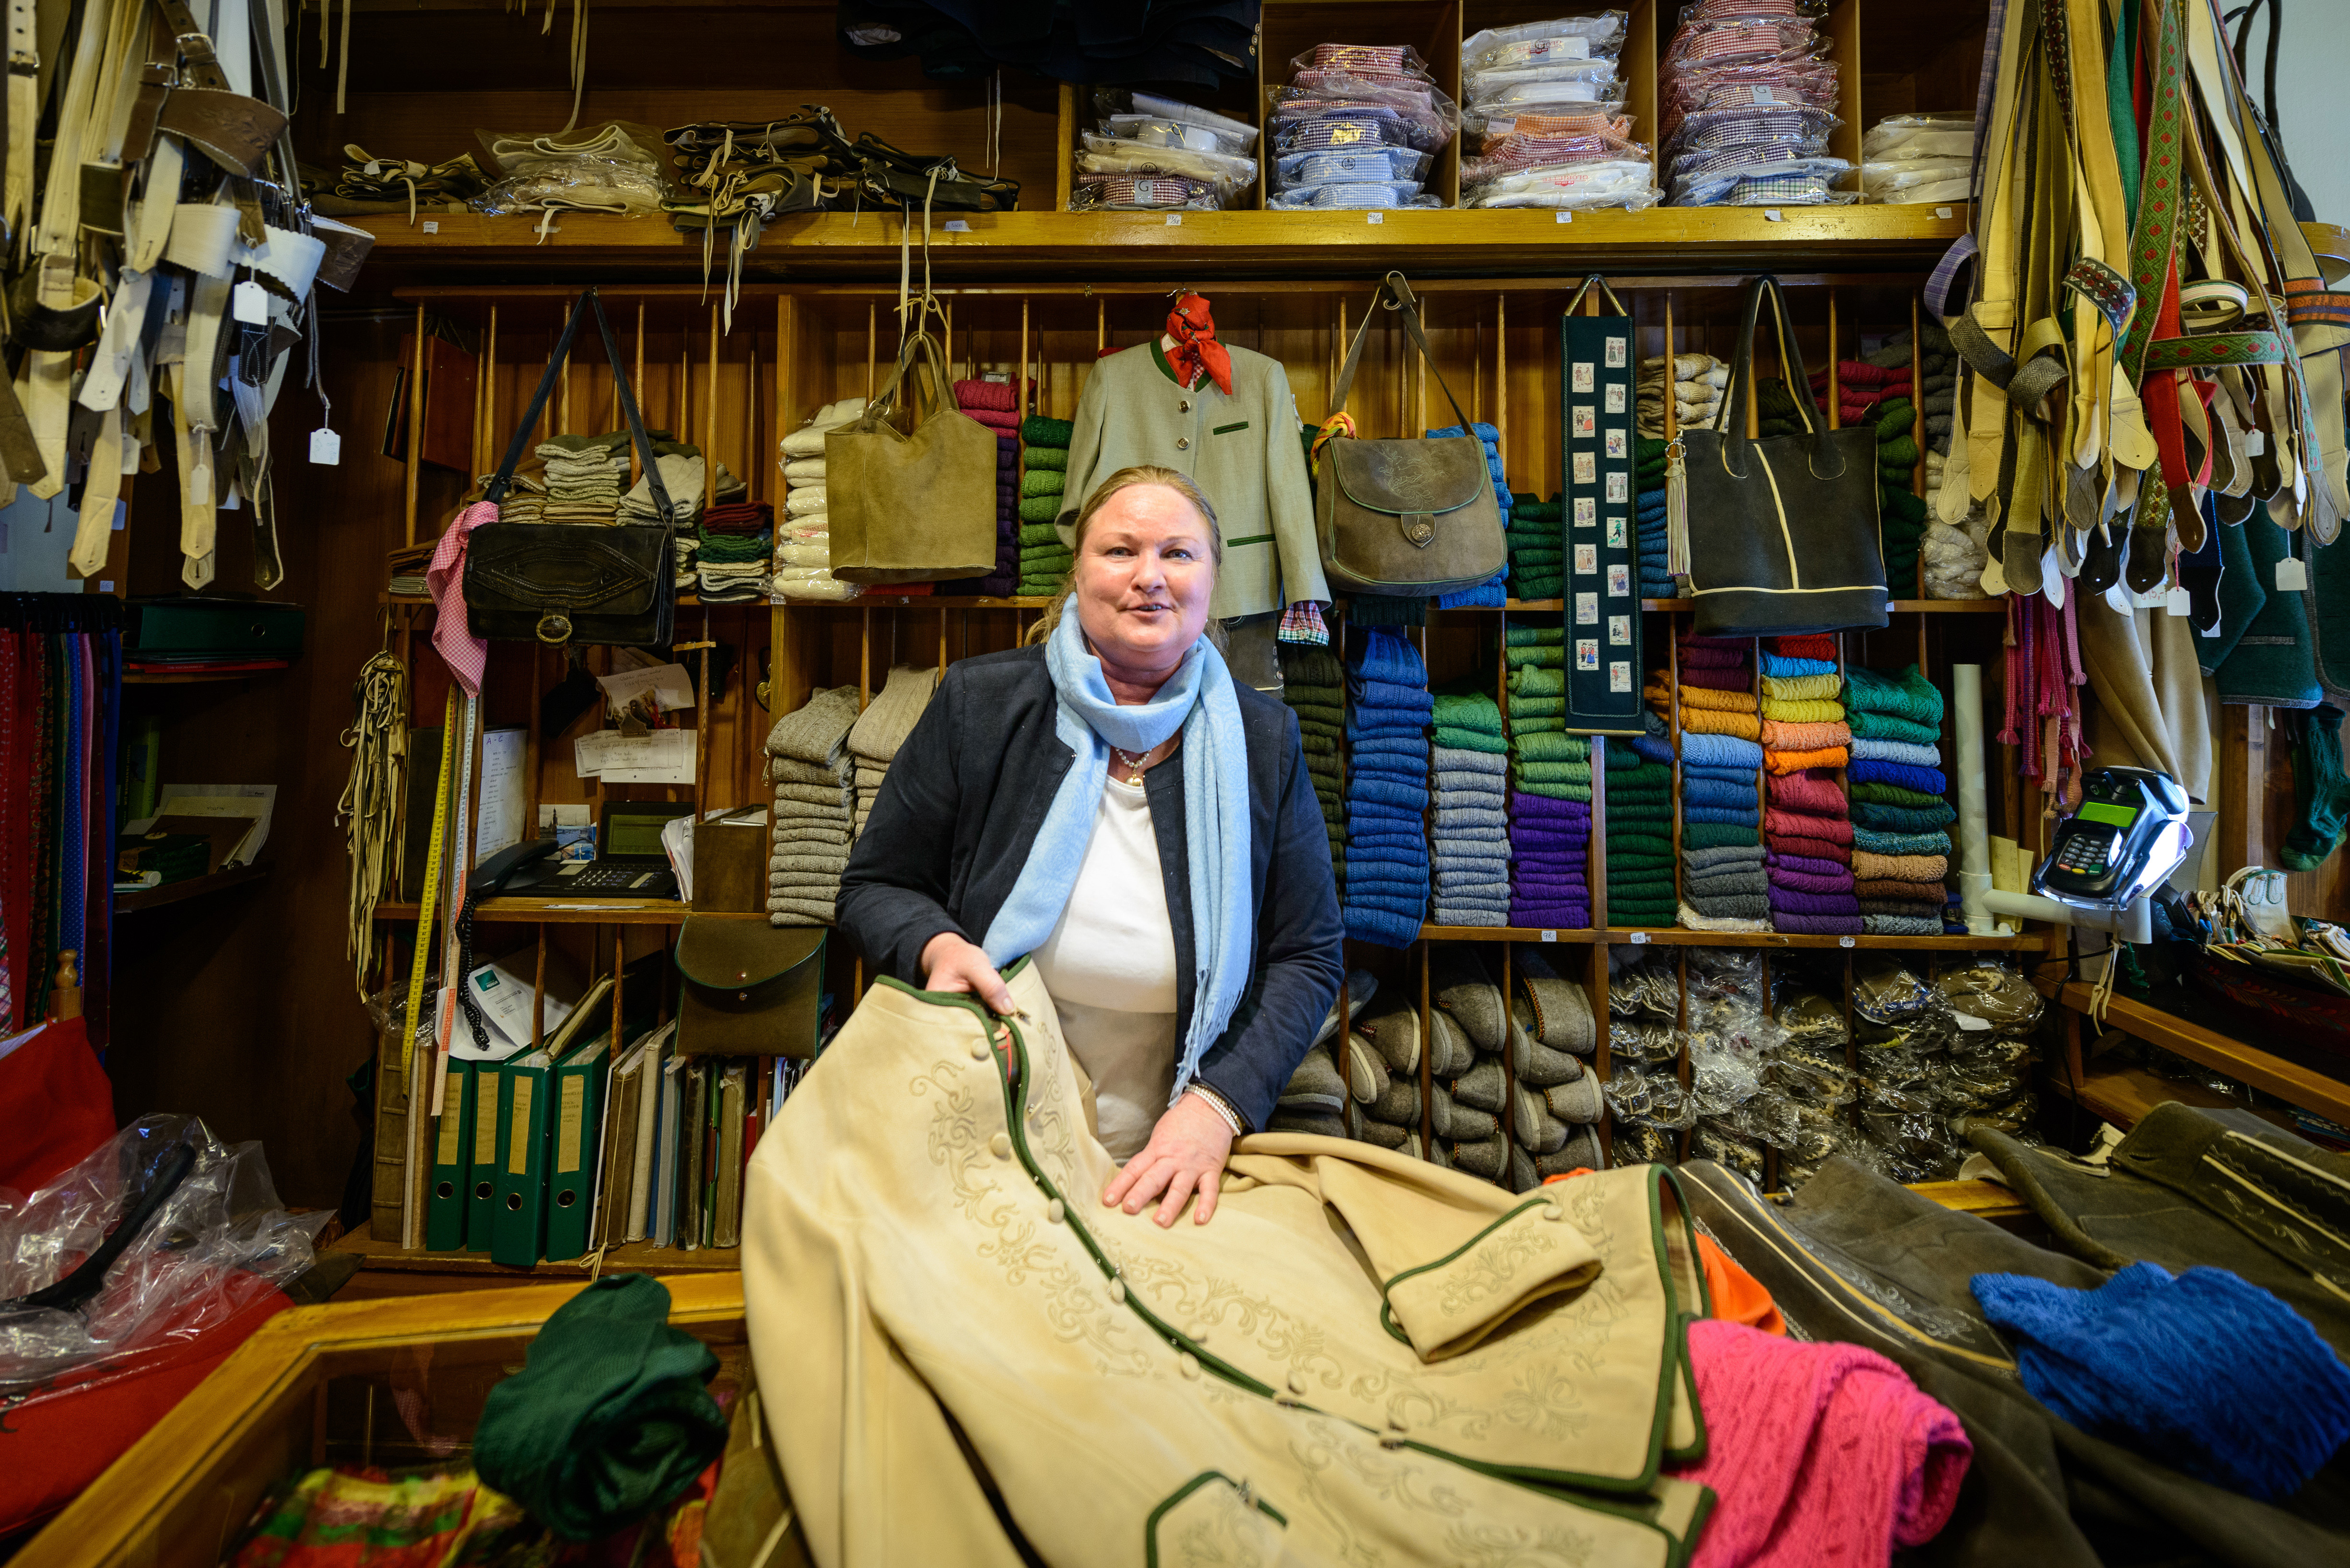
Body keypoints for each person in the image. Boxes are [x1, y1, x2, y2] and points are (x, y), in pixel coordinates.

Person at [837, 465, 1344, 1227]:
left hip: (1175, 1144)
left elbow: (1309, 953)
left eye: (1179, 554)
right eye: (1120, 551)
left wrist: (1218, 1107)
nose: (1151, 578)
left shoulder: (1263, 742)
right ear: (1077, 571)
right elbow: (875, 886)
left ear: (1214, 580)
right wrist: (936, 944)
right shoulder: (982, 704)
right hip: (991, 1115)